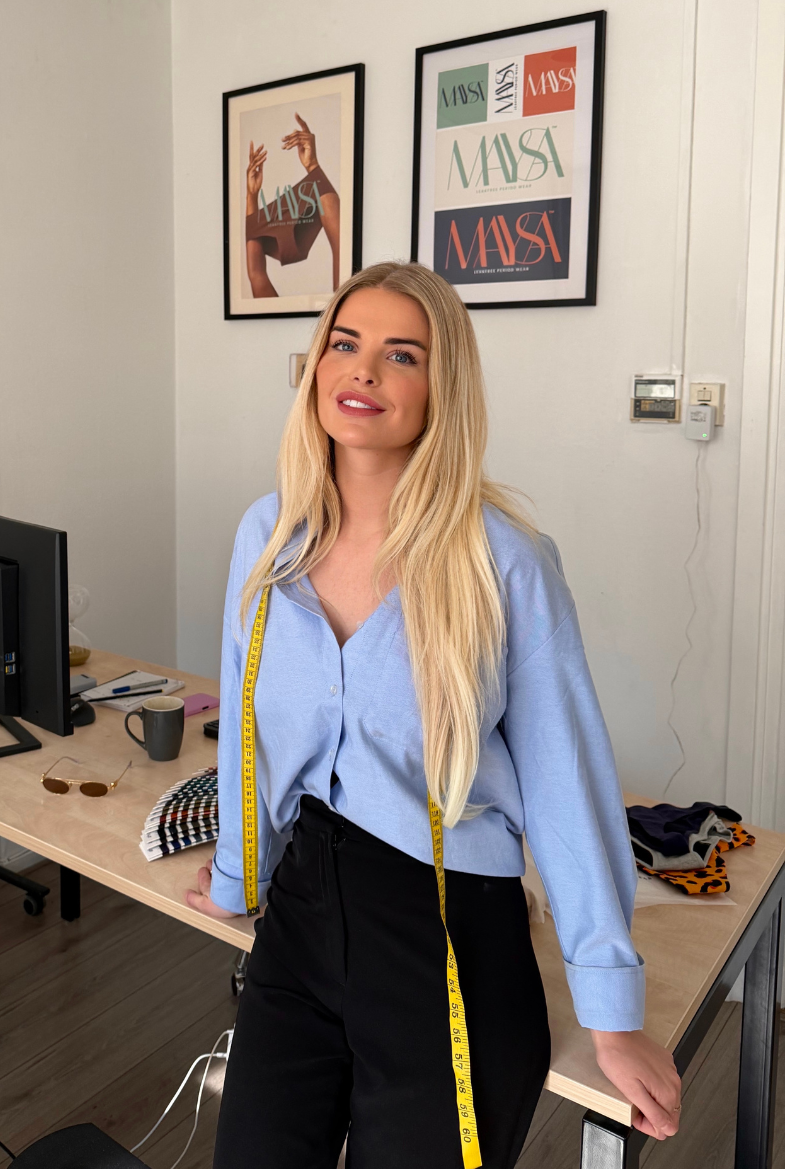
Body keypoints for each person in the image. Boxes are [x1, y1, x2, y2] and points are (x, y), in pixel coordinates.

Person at [185, 260, 682, 1168]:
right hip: (301, 913)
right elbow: (252, 741)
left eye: (401, 355)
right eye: (345, 343)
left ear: (441, 387)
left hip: (449, 930)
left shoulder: (503, 561)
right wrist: (234, 881)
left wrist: (612, 1014)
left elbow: (565, 781)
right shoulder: (269, 534)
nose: (363, 370)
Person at [245, 112, 341, 297]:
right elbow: (342, 246)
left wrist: (251, 196)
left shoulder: (344, 306)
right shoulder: (344, 306)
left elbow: (256, 276)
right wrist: (312, 166)